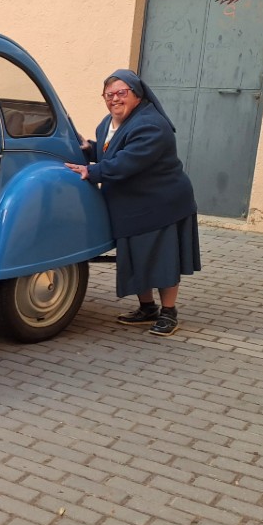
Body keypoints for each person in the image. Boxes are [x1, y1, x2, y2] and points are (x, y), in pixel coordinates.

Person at [66, 69, 200, 337]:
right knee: (137, 258)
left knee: (163, 261)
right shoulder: (109, 122)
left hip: (161, 205)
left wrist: (91, 172)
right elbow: (111, 150)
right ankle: (147, 308)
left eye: (121, 93)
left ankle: (169, 313)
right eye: (109, 94)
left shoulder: (151, 125)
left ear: (137, 95)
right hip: (131, 206)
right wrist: (89, 149)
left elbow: (129, 161)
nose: (114, 99)